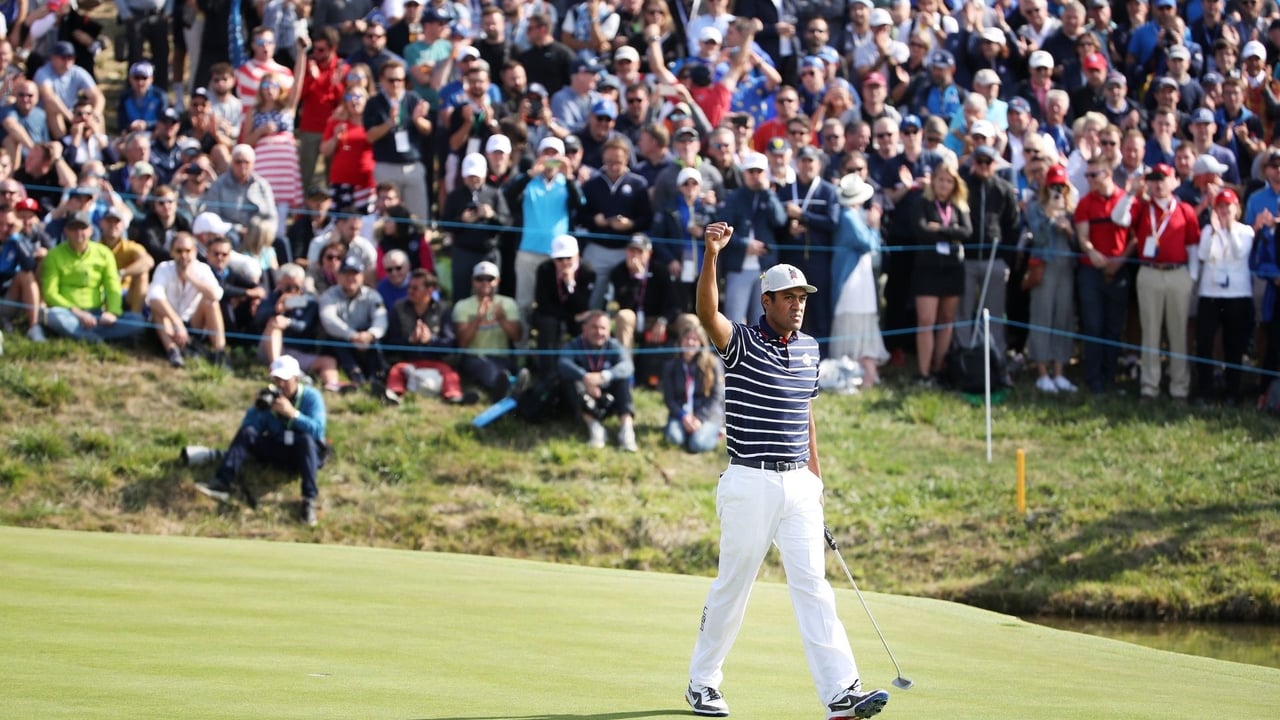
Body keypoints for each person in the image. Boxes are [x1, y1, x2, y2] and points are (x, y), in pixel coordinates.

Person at [686, 220, 890, 720]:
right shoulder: (741, 342)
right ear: (767, 302)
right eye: (789, 297)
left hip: (798, 483)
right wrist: (712, 255)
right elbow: (707, 313)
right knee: (733, 587)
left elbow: (806, 416)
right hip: (749, 479)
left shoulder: (809, 348)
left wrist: (815, 481)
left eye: (802, 297)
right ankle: (702, 683)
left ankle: (841, 692)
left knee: (814, 586)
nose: (798, 304)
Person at [196, 355, 328, 527]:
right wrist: (258, 408)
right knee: (248, 432)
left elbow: (318, 430)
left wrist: (293, 414)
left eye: (285, 379)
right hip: (277, 447)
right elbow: (248, 430)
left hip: (303, 455)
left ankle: (309, 500)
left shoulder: (311, 397)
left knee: (306, 440)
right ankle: (222, 482)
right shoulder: (270, 397)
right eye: (277, 379)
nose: (281, 384)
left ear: (296, 378)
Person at [1111, 163, 1199, 401]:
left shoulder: (1185, 210)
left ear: (1174, 181)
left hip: (1177, 273)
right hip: (1149, 273)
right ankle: (1149, 386)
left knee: (1178, 333)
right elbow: (1118, 218)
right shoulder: (1142, 207)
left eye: (1163, 178)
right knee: (1149, 331)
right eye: (1153, 179)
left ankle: (1179, 388)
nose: (1158, 183)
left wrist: (1191, 278)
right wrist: (1130, 192)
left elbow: (1192, 246)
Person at [39, 211, 146, 343]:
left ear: (90, 230)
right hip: (68, 312)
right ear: (66, 231)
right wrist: (77, 312)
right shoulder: (54, 255)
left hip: (97, 314)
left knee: (137, 321)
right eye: (74, 228)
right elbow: (50, 293)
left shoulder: (104, 253)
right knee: (53, 316)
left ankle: (82, 335)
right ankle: (94, 338)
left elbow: (112, 285)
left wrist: (112, 312)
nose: (79, 233)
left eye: (83, 228)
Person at [1074, 154, 1131, 394]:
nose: (1089, 179)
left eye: (1093, 174)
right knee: (1093, 325)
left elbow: (1135, 237)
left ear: (1107, 174)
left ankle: (1111, 376)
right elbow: (1083, 237)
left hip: (1119, 270)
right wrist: (1092, 252)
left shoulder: (1125, 199)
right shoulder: (1085, 202)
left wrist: (1121, 259)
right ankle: (1094, 378)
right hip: (1091, 270)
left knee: (1114, 326)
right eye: (1087, 175)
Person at [911, 158, 971, 386]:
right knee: (926, 320)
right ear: (933, 181)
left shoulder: (959, 206)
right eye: (941, 180)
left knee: (946, 320)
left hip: (953, 269)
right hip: (927, 269)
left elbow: (967, 232)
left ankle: (938, 368)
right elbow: (921, 229)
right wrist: (951, 232)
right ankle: (923, 373)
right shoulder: (922, 203)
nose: (944, 185)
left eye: (949, 181)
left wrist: (941, 229)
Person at [1192, 189, 1254, 406]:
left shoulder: (1245, 231)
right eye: (1220, 206)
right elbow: (1203, 255)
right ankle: (1204, 390)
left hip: (1237, 295)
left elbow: (1239, 253)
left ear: (1236, 208)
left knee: (1233, 345)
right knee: (1205, 343)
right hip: (1210, 294)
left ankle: (1232, 392)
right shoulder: (1208, 230)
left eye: (1228, 206)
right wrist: (1214, 232)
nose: (1224, 210)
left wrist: (1230, 229)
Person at [1025, 165, 1080, 394]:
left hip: (1066, 269)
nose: (1057, 191)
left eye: (1061, 186)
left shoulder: (1072, 210)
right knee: (1042, 316)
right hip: (1044, 268)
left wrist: (1069, 230)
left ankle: (1059, 372)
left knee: (1063, 319)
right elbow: (1036, 238)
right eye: (1053, 186)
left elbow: (1079, 244)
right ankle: (1042, 372)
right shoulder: (1035, 208)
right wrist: (1048, 216)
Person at [829, 172, 888, 387]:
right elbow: (869, 244)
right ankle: (851, 368)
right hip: (851, 276)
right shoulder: (849, 217)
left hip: (860, 274)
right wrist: (875, 227)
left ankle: (861, 369)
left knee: (861, 314)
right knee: (852, 313)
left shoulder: (852, 215)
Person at [557, 309, 637, 452]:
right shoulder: (575, 344)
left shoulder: (614, 345)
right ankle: (595, 428)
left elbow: (627, 366)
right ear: (584, 329)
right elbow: (563, 363)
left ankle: (627, 430)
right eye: (594, 327)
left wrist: (604, 376)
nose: (599, 332)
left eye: (603, 328)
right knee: (568, 380)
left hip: (608, 394)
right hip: (584, 394)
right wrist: (584, 377)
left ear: (609, 330)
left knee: (623, 379)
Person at [146, 232, 227, 368]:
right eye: (179, 251)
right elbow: (153, 296)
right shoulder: (164, 268)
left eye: (188, 251)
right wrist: (177, 322)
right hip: (169, 325)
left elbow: (216, 294)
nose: (183, 255)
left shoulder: (202, 269)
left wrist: (190, 277)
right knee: (156, 308)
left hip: (194, 323)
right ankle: (173, 352)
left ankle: (220, 354)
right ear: (172, 252)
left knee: (211, 302)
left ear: (194, 252)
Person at [453, 260, 523, 399]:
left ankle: (508, 388)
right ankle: (509, 389)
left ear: (497, 281)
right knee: (488, 369)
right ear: (473, 281)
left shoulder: (508, 303)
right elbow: (462, 343)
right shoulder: (462, 306)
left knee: (504, 371)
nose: (485, 283)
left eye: (490, 279)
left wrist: (502, 319)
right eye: (480, 279)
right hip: (474, 357)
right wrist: (477, 319)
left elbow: (517, 337)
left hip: (502, 358)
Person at [319, 254, 388, 387]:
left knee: (376, 342)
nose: (350, 278)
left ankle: (377, 378)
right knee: (336, 340)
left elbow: (381, 319)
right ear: (339, 276)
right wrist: (352, 335)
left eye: (355, 273)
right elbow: (329, 320)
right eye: (346, 274)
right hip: (342, 341)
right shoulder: (329, 295)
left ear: (362, 276)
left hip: (365, 341)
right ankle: (355, 376)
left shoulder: (372, 295)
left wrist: (370, 334)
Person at [660, 323, 723, 454]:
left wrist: (699, 418)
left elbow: (717, 396)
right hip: (681, 414)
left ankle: (716, 434)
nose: (690, 342)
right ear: (680, 341)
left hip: (707, 415)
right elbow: (669, 399)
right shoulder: (671, 366)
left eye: (695, 339)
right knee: (674, 439)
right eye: (687, 338)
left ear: (701, 343)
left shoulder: (713, 363)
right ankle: (687, 432)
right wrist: (683, 417)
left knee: (696, 444)